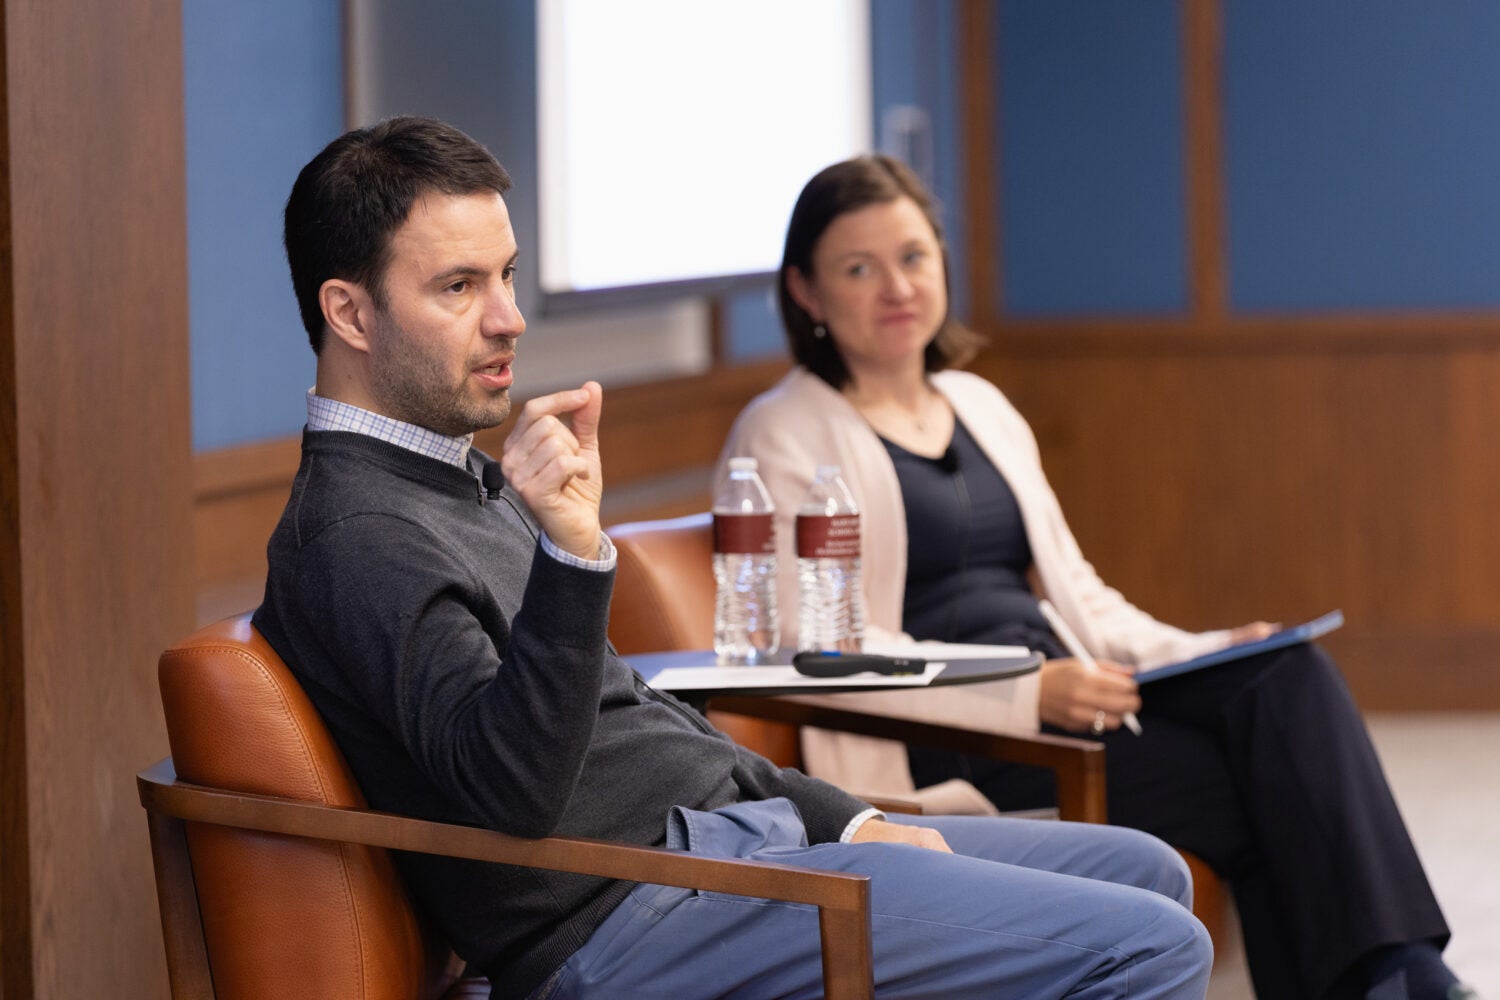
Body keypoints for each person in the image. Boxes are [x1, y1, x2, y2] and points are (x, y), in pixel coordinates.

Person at [251, 116, 1210, 1000]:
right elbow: (515, 795)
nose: (509, 317)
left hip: (719, 850)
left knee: (1146, 869)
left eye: (506, 275)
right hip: (632, 915)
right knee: (1158, 944)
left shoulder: (451, 478)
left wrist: (842, 818)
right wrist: (574, 557)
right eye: (460, 287)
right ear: (351, 314)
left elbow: (637, 719)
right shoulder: (357, 532)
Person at [716, 154, 1480, 1000]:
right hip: (957, 729)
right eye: (859, 269)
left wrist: (1209, 647)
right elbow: (824, 647)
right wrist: (1025, 691)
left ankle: (1404, 973)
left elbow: (1079, 593)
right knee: (1255, 787)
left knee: (1284, 673)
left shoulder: (980, 405)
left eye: (913, 257)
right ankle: (1401, 981)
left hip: (1074, 692)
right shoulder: (783, 430)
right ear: (808, 294)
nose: (896, 286)